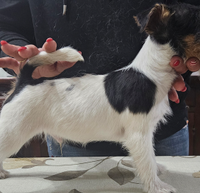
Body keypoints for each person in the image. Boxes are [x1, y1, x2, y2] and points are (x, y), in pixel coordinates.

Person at [0, 0, 199, 157]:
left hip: (164, 126)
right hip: (68, 116)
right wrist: (21, 52)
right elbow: (6, 23)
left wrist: (188, 61)